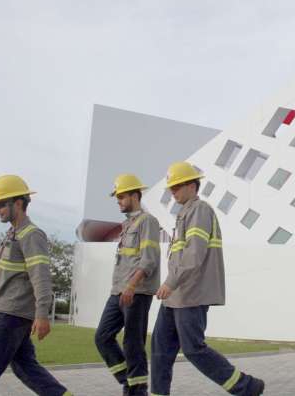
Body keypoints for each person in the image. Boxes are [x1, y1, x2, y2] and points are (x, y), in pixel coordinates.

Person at [151, 162, 265, 396]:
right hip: (176, 298)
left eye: (177, 187)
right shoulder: (184, 214)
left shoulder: (200, 210)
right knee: (160, 349)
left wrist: (170, 282)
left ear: (192, 186)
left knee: (193, 349)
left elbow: (194, 254)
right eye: (171, 188)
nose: (172, 192)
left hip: (191, 295)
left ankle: (247, 387)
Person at [0, 175, 72, 396]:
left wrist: (42, 314)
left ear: (18, 203)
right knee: (27, 369)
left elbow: (41, 277)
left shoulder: (32, 235)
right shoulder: (12, 235)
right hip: (9, 314)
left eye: (0, 204)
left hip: (10, 316)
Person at [95, 174, 160, 396]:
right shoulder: (126, 225)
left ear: (135, 195)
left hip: (137, 292)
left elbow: (149, 259)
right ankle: (131, 383)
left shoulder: (148, 221)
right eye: (117, 197)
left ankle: (137, 390)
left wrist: (132, 286)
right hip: (118, 292)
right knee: (102, 337)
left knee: (133, 344)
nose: (119, 200)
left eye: (122, 196)